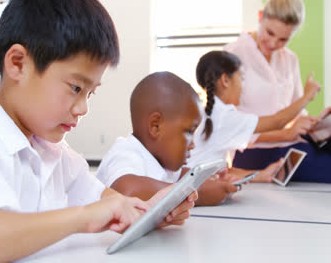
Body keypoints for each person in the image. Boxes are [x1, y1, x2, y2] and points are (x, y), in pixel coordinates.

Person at [0, 0, 196, 262]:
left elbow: (113, 204)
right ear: (18, 63)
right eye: (75, 88)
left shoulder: (55, 152)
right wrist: (83, 218)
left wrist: (151, 212)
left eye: (91, 93)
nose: (83, 108)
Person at [224, 0, 331, 262]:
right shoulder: (232, 56)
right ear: (260, 16)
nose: (274, 43)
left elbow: (294, 115)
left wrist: (315, 121)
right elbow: (231, 128)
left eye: (283, 38)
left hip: (290, 143)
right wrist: (286, 133)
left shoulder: (290, 60)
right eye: (270, 33)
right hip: (255, 153)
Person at [96, 71, 238, 206]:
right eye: (189, 131)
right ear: (156, 126)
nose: (193, 145)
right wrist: (197, 192)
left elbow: (180, 176)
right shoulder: (125, 153)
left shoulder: (160, 161)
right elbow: (126, 191)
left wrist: (207, 178)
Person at [186, 50, 319, 183]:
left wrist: (262, 175)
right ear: (225, 80)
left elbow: (223, 171)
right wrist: (308, 96)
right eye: (241, 78)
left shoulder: (213, 114)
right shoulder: (223, 116)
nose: (243, 86)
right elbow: (277, 121)